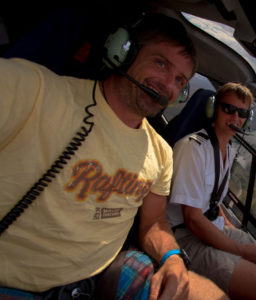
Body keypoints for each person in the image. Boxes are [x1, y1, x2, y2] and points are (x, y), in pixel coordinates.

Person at [0, 12, 228, 300]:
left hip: (99, 278)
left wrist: (172, 258)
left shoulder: (161, 154)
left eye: (180, 80)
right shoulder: (38, 92)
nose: (169, 85)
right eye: (161, 63)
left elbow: (154, 221)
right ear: (123, 51)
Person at [166, 83, 256, 300]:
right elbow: (192, 219)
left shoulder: (227, 150)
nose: (236, 117)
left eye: (243, 113)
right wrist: (239, 250)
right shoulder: (192, 149)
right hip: (186, 237)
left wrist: (227, 223)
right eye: (229, 109)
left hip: (214, 228)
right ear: (214, 109)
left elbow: (213, 201)